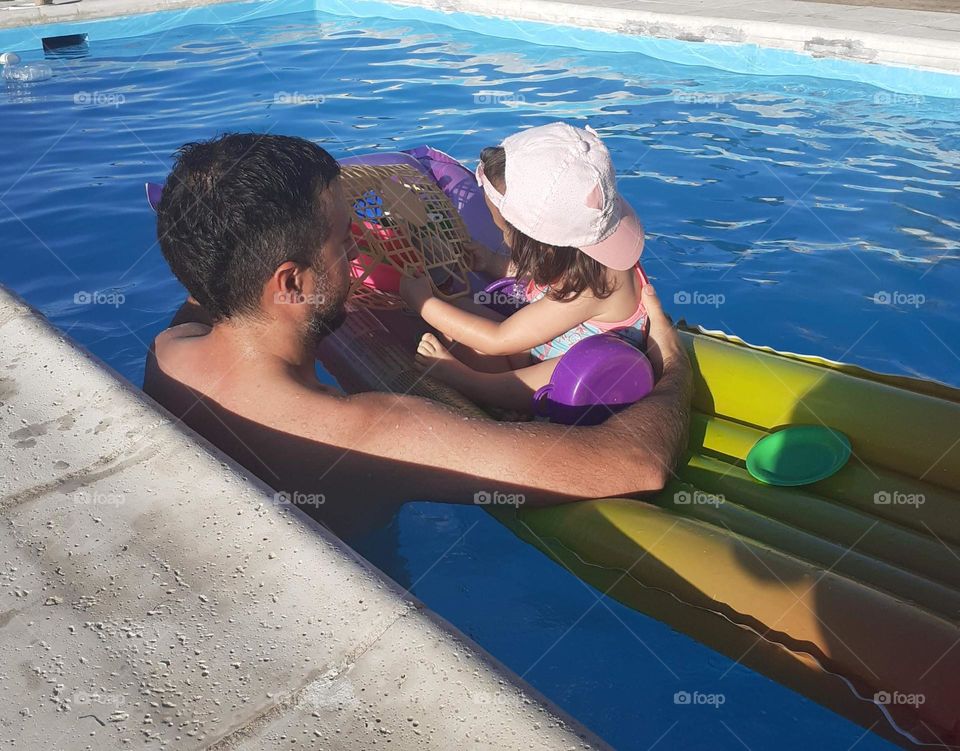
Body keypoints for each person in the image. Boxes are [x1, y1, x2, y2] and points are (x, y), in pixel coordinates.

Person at [144, 132, 692, 541]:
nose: (360, 255)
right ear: (290, 283)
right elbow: (634, 465)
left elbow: (212, 273)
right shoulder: (370, 432)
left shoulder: (170, 353)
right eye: (343, 244)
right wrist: (671, 367)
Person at [400, 123, 648, 412]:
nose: (503, 238)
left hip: (586, 374)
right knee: (459, 311)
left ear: (538, 243)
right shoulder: (578, 249)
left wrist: (423, 302)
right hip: (546, 342)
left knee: (544, 371)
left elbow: (498, 340)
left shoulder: (596, 287)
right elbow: (545, 277)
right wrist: (493, 264)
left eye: (503, 230)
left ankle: (470, 383)